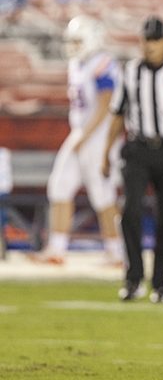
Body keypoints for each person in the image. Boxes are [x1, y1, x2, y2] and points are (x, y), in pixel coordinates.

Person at [102, 16, 163, 303]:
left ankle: (162, 282)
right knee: (129, 212)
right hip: (138, 149)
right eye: (146, 40)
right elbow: (118, 114)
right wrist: (106, 151)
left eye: (156, 40)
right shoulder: (129, 72)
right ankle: (133, 279)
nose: (151, 46)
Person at [34, 16, 122, 266]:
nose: (72, 45)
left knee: (103, 195)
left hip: (99, 137)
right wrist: (80, 135)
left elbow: (107, 103)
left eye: (77, 40)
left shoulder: (103, 62)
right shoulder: (76, 64)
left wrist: (85, 135)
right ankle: (56, 250)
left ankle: (116, 252)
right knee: (59, 187)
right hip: (80, 133)